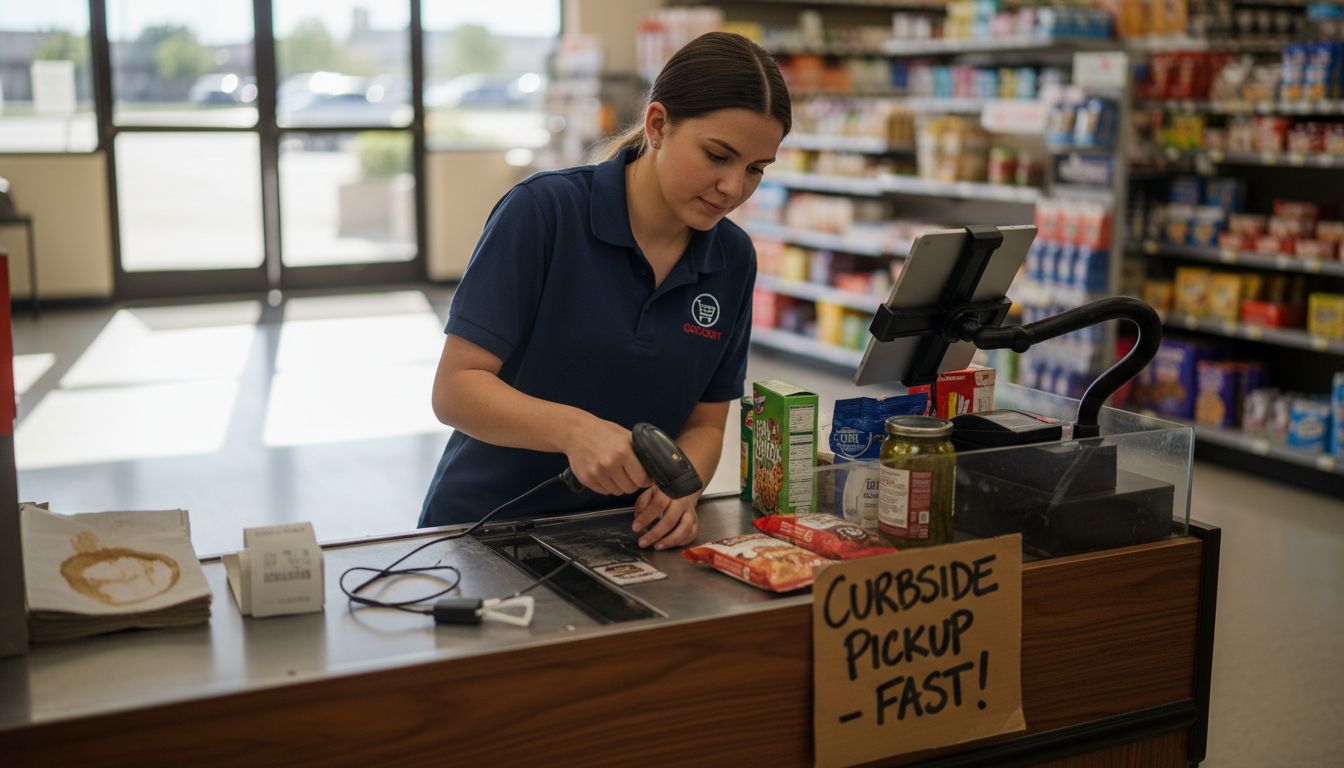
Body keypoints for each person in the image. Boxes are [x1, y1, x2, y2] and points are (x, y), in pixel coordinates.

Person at [420, 31, 791, 551]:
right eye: (717, 156)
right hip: (484, 532)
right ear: (657, 124)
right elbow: (455, 389)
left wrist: (683, 488)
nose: (734, 188)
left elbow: (706, 424)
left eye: (755, 169)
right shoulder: (543, 213)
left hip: (626, 540)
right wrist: (572, 431)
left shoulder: (732, 259)